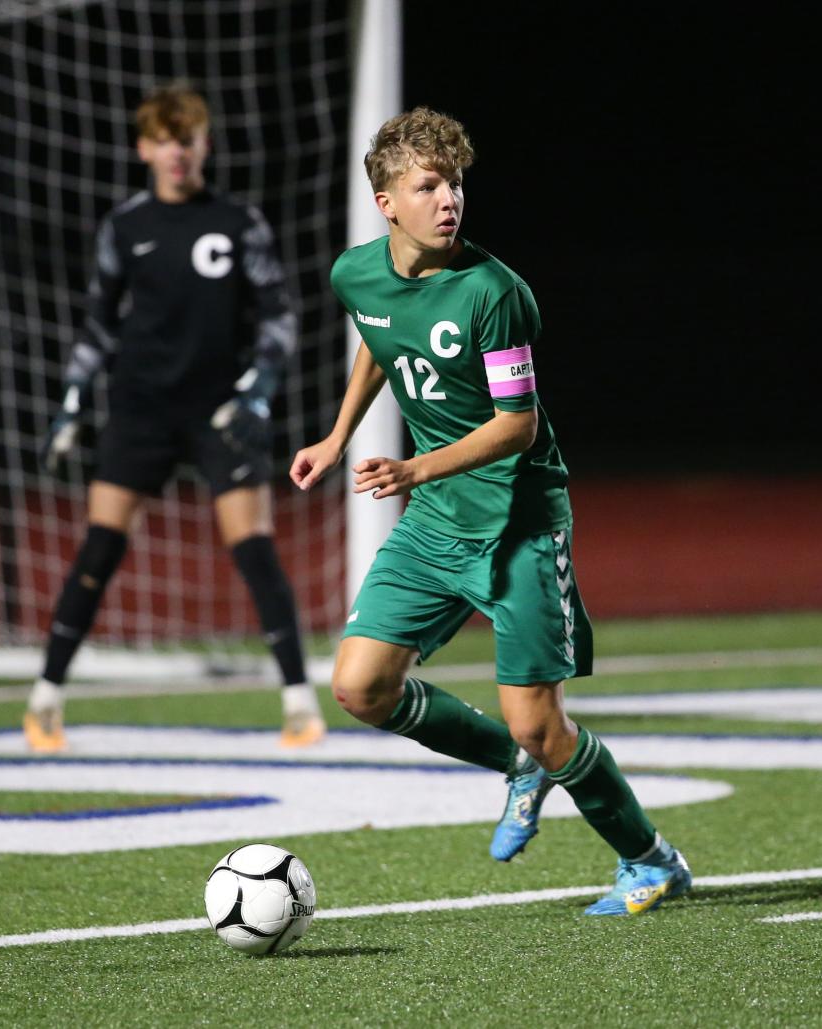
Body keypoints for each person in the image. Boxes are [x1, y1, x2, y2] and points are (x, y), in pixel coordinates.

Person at [290, 106, 691, 915]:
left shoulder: (495, 292)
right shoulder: (354, 274)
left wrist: (412, 464)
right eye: (428, 185)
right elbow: (381, 332)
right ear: (386, 202)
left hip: (518, 522)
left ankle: (650, 858)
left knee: (543, 724)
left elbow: (519, 424)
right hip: (437, 517)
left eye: (456, 184)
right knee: (361, 686)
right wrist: (338, 435)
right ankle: (517, 768)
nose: (449, 201)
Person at [25, 83, 325, 753]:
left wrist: (257, 390)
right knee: (101, 547)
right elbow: (99, 327)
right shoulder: (125, 227)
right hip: (140, 407)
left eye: (185, 139)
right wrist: (74, 394)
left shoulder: (238, 222)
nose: (176, 153)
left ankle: (300, 707)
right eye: (163, 140)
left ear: (203, 144)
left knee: (253, 549)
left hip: (219, 408)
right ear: (144, 148)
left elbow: (278, 313)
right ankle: (44, 702)